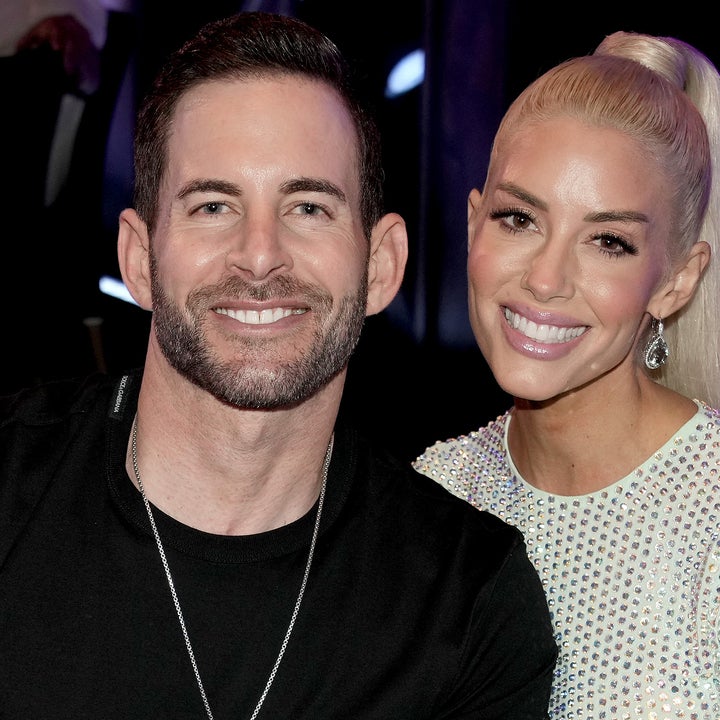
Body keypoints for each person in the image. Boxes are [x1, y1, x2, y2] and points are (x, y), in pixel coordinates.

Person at [0, 11, 557, 719]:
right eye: (212, 206)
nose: (259, 256)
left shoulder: (466, 603)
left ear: (381, 265)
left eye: (308, 208)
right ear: (138, 258)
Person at [413, 30, 720, 719]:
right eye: (519, 219)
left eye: (608, 241)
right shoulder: (434, 492)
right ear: (473, 225)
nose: (546, 279)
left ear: (676, 280)